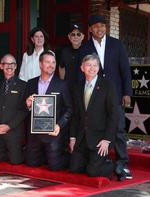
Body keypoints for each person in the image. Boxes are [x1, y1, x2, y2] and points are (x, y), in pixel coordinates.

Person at [78, 15, 133, 181]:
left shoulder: (117, 44)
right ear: (90, 29)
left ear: (106, 28)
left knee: (119, 129)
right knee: (98, 127)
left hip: (114, 93)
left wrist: (127, 93)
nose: (99, 29)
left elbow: (125, 70)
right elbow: (79, 74)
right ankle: (103, 160)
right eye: (95, 26)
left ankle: (122, 163)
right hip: (93, 96)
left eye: (102, 26)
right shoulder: (85, 47)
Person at [69, 54, 118, 178]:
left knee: (93, 172)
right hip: (81, 138)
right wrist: (72, 138)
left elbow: (114, 115)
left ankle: (110, 165)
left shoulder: (108, 86)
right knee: (74, 169)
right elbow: (75, 115)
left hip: (100, 139)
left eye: (95, 65)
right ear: (82, 67)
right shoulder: (77, 86)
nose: (92, 68)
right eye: (88, 65)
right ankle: (91, 162)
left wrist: (107, 140)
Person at [25, 50, 73, 171]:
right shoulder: (31, 83)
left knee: (55, 167)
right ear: (40, 64)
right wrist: (28, 105)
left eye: (53, 62)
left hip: (53, 133)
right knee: (31, 164)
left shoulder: (62, 84)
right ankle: (45, 155)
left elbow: (69, 109)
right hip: (35, 133)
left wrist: (59, 126)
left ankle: (70, 156)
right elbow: (25, 108)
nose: (51, 65)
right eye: (47, 62)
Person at [0, 54, 27, 164]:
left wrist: (9, 126)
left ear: (16, 66)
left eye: (12, 64)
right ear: (1, 66)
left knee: (15, 163)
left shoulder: (24, 86)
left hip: (14, 133)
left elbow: (24, 110)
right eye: (6, 63)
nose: (10, 66)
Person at [59, 24, 84, 92]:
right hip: (68, 88)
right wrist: (62, 83)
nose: (75, 36)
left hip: (83, 89)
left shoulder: (87, 50)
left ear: (82, 37)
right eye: (73, 34)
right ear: (69, 37)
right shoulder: (64, 51)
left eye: (78, 34)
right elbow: (61, 67)